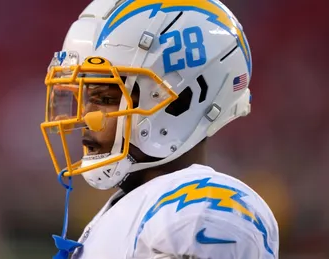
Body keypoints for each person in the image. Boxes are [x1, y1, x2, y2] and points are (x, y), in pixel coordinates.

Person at [40, 0, 279, 258]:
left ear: (181, 101)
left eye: (105, 99)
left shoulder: (203, 209)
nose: (85, 117)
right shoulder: (137, 206)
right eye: (82, 99)